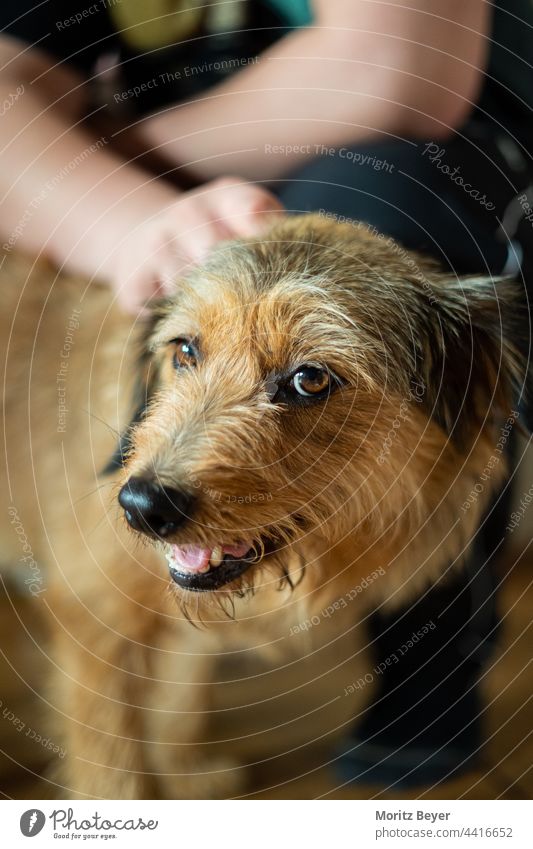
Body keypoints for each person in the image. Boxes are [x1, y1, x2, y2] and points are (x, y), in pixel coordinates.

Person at [1, 0, 531, 787]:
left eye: (307, 378)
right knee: (127, 580)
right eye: (185, 350)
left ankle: (436, 633)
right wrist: (111, 207)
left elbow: (402, 66)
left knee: (408, 185)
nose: (168, 468)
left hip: (423, 145)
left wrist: (86, 158)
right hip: (162, 197)